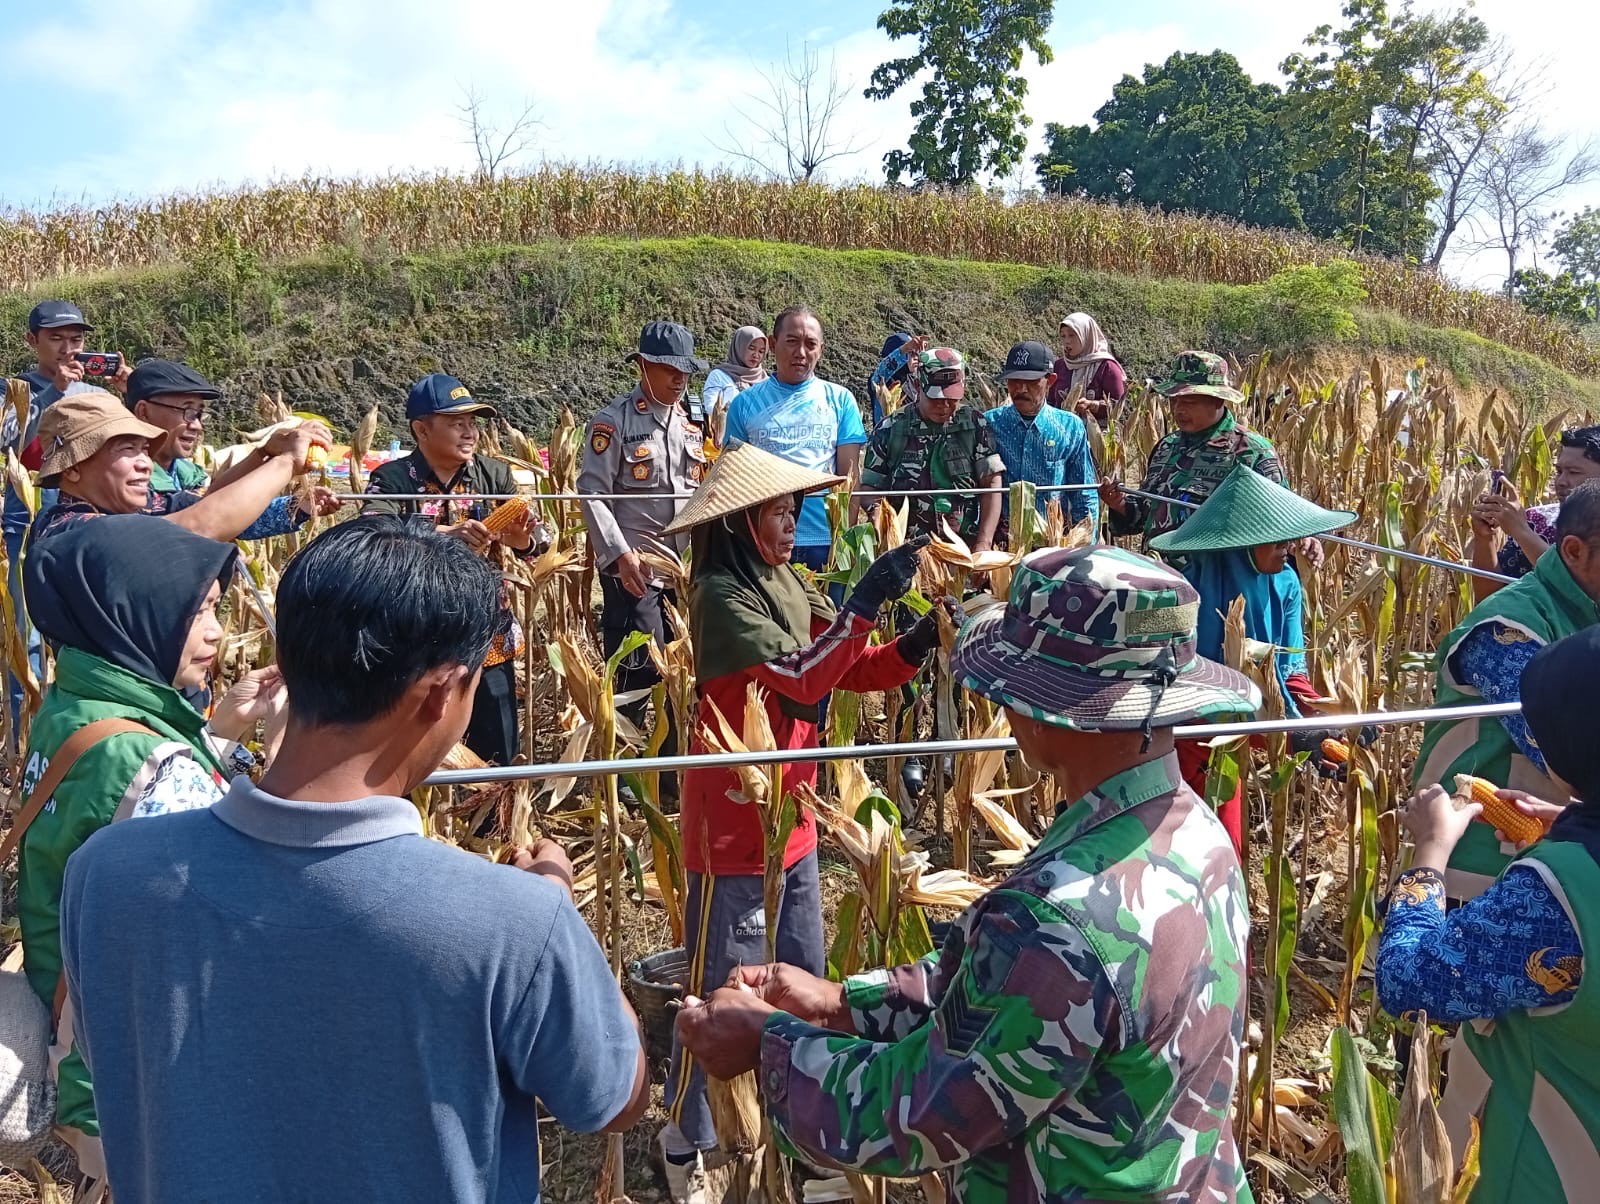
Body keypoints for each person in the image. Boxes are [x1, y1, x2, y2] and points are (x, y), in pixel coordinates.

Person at [57, 516, 649, 1204]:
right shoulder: (514, 922)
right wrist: (557, 921)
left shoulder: (106, 874)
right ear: (438, 694)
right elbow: (613, 1100)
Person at [676, 545, 1261, 1204]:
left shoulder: (1060, 914)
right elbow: (1003, 992)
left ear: (1057, 706)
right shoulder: (1196, 834)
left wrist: (768, 1048)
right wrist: (842, 1003)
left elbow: (923, 1111)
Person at [654, 442, 943, 1200]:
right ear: (743, 522)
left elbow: (852, 666)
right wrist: (867, 600)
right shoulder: (722, 593)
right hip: (734, 827)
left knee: (799, 978)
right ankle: (692, 1135)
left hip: (796, 819)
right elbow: (802, 680)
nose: (791, 524)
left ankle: (796, 1121)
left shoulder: (786, 582)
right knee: (720, 988)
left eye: (795, 511)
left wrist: (914, 642)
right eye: (778, 513)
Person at [14, 515, 287, 1187]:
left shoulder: (69, 709)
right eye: (198, 612)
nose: (217, 632)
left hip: (77, 1044)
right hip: (143, 1082)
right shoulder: (156, 762)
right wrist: (279, 757)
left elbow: (123, 810)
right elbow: (241, 904)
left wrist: (216, 735)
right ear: (134, 615)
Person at [1378, 626, 1600, 1204]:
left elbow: (1410, 981)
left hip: (1552, 1171)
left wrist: (1429, 854)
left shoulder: (1554, 896)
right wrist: (1570, 821)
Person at [1150, 464, 1357, 856]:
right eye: (1275, 538)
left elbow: (1287, 668)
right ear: (1241, 544)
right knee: (1183, 848)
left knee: (1226, 850)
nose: (1289, 545)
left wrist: (1330, 720)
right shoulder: (1180, 595)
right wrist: (1290, 735)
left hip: (1237, 740)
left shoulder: (1286, 582)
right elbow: (1187, 692)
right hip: (1183, 745)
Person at [1414, 481, 1600, 901]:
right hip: (1479, 864)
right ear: (1573, 551)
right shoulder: (1509, 626)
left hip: (1556, 856)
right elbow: (1565, 746)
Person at [363, 372, 538, 765]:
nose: (469, 432)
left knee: (498, 748)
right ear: (421, 429)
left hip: (485, 626)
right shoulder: (390, 480)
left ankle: (496, 824)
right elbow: (371, 535)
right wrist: (443, 533)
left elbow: (534, 546)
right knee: (411, 748)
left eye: (473, 423)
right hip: (416, 631)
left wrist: (520, 538)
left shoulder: (494, 475)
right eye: (456, 423)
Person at [578, 322, 709, 754]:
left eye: (686, 372)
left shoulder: (693, 421)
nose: (679, 380)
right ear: (642, 366)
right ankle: (627, 773)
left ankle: (669, 772)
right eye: (669, 370)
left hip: (685, 574)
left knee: (683, 672)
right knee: (637, 675)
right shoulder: (613, 422)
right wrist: (618, 556)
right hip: (636, 573)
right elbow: (593, 493)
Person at [3, 302, 131, 735]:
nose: (67, 348)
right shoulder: (12, 392)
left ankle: (81, 735)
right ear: (32, 340)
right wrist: (53, 393)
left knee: (85, 633)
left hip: (85, 529)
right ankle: (24, 741)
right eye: (56, 338)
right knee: (27, 638)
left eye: (75, 339)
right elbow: (10, 444)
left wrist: (133, 394)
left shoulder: (97, 396)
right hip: (21, 530)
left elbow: (133, 449)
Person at [26, 390, 332, 552]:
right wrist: (285, 463)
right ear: (74, 468)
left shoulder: (139, 507)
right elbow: (199, 526)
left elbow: (211, 500)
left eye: (145, 449)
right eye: (126, 450)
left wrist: (265, 454)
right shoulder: (70, 530)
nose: (145, 462)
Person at [723, 306, 868, 572]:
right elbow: (732, 477)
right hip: (765, 543)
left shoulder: (839, 400)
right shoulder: (744, 404)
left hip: (825, 542)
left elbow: (849, 479)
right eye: (791, 342)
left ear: (821, 349)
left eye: (810, 344)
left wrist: (844, 542)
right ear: (773, 343)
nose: (801, 353)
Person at [125, 358, 339, 537]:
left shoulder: (186, 472)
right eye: (187, 412)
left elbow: (232, 513)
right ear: (143, 412)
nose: (197, 426)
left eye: (200, 414)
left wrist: (297, 508)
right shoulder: (127, 479)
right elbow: (209, 517)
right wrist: (285, 462)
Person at [1100, 350, 1284, 549]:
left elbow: (1281, 525)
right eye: (1173, 400)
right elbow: (1145, 516)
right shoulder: (1166, 447)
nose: (1178, 409)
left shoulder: (1251, 453)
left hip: (1214, 577)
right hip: (1158, 573)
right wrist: (1120, 504)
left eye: (1188, 401)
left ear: (1217, 401)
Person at [856, 347, 1005, 549]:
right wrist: (879, 517)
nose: (943, 405)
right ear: (918, 386)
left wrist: (984, 544)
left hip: (963, 550)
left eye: (951, 399)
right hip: (906, 548)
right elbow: (870, 488)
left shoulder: (975, 425)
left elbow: (992, 485)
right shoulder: (890, 429)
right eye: (935, 398)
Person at [1470, 425, 1600, 600]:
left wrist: (1521, 531)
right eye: (1559, 471)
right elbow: (1489, 598)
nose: (1561, 481)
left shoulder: (1526, 526)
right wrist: (1485, 538)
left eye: (1574, 472)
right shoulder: (1537, 520)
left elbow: (1579, 593)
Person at [986, 339, 1099, 534]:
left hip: (1050, 542)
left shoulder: (1070, 427)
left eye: (1031, 381)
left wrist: (1085, 543)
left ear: (1050, 381)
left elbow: (1084, 493)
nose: (1021, 389)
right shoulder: (990, 424)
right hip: (1000, 546)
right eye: (1014, 380)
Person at [1048, 311, 1126, 423]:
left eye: (1072, 335)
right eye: (1063, 336)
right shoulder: (1060, 366)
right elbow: (1050, 401)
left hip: (1097, 435)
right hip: (1061, 432)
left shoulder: (1107, 367)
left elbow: (1118, 406)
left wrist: (1093, 405)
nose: (1067, 341)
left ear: (1086, 335)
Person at [701, 325, 768, 424]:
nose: (756, 355)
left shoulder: (767, 380)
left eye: (761, 351)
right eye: (751, 348)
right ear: (739, 347)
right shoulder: (719, 375)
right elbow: (711, 407)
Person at [866, 331, 916, 429]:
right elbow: (884, 368)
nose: (915, 357)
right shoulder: (881, 382)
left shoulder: (913, 381)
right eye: (910, 353)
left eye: (916, 353)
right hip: (886, 441)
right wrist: (903, 350)